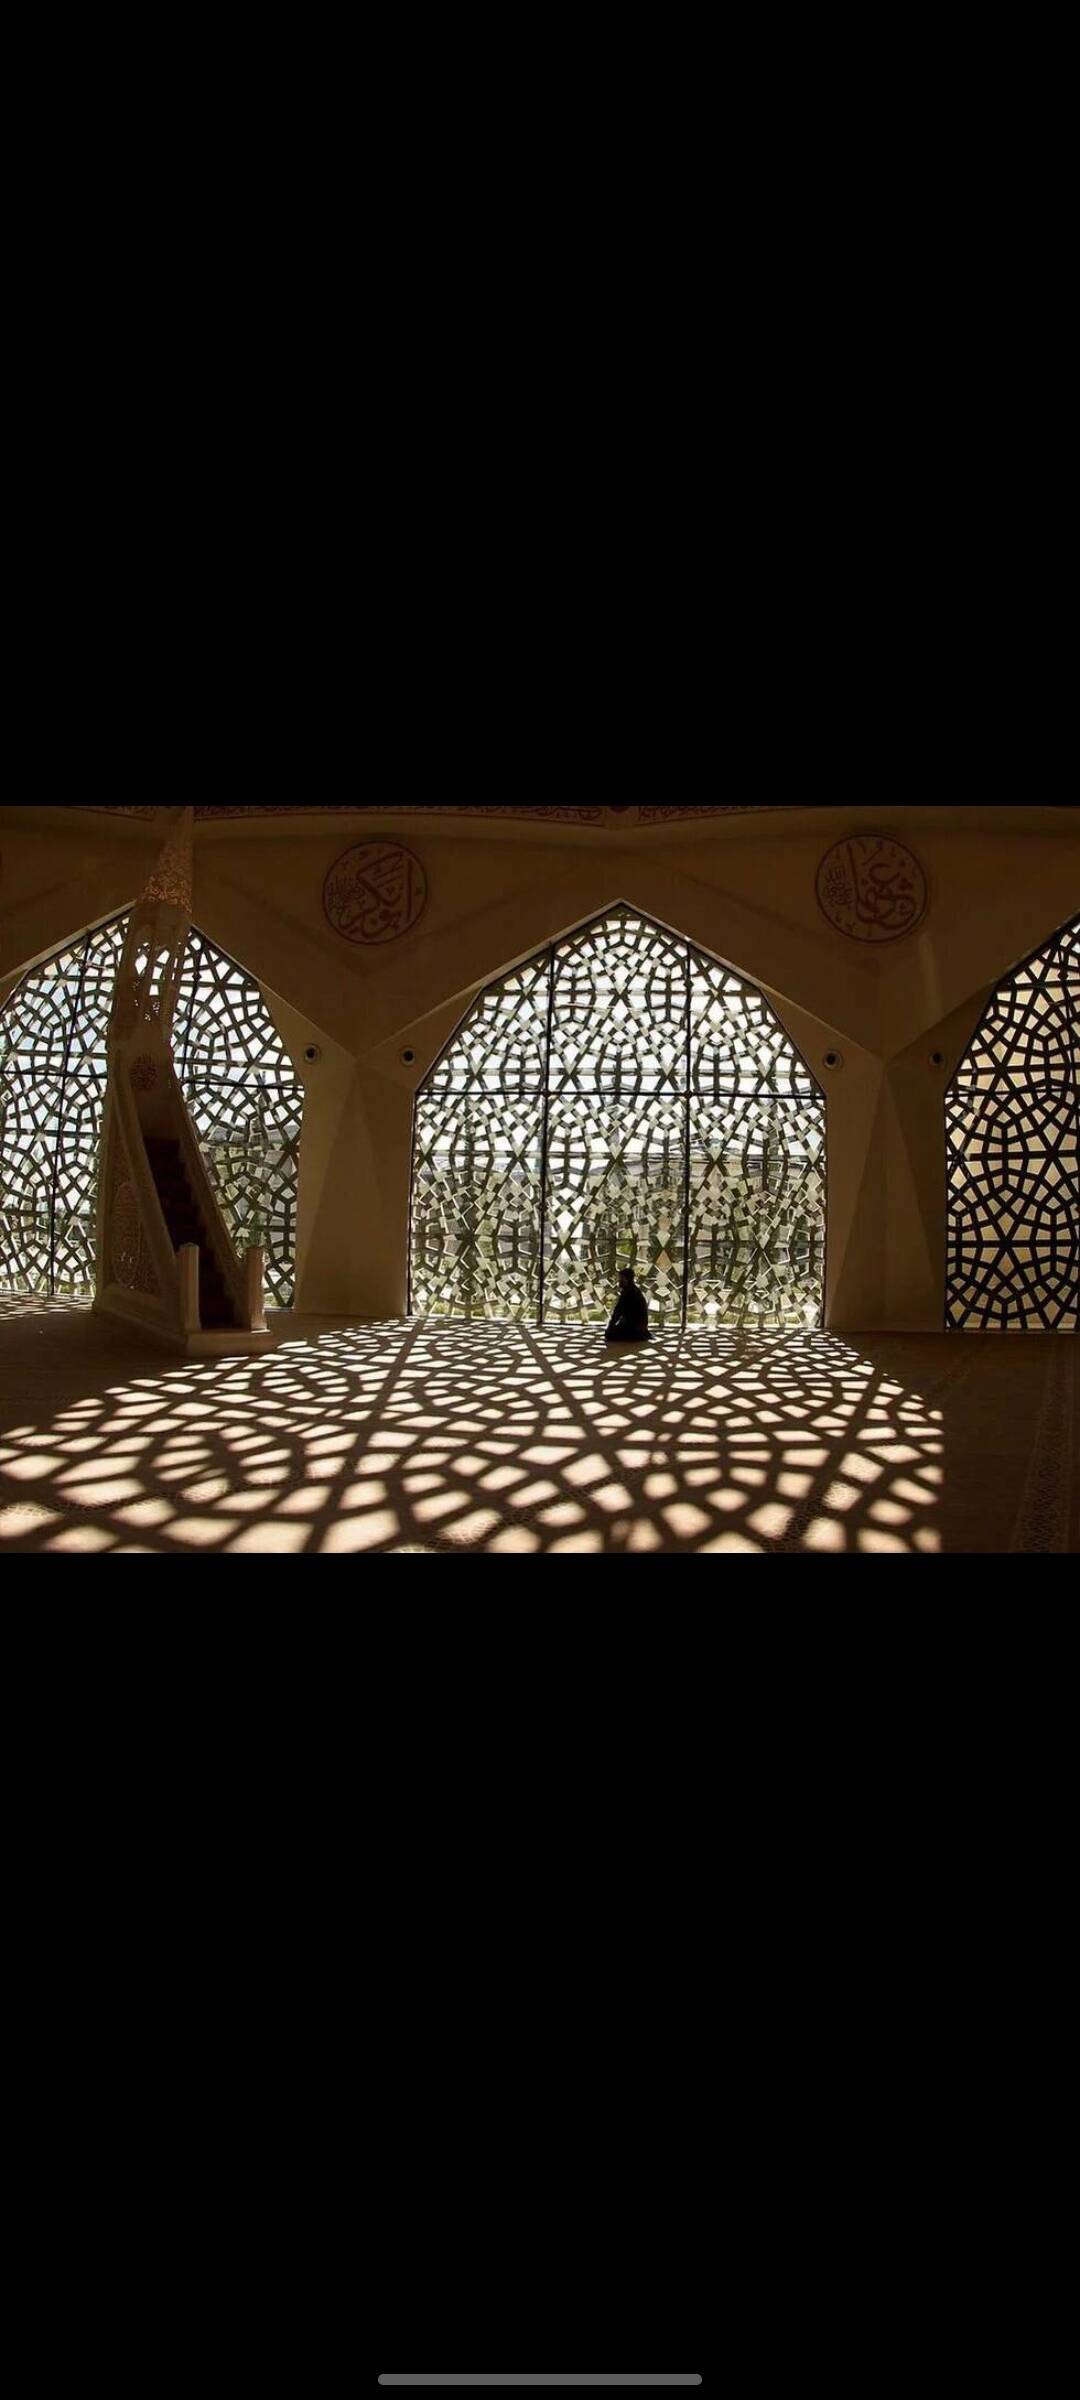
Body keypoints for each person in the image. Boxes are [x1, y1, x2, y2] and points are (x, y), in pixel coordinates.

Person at [605, 1267, 651, 1344]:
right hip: (640, 1329)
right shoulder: (634, 1290)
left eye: (620, 1278)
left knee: (609, 1335)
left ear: (626, 1279)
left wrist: (610, 1328)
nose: (619, 1281)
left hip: (635, 1330)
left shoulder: (628, 1292)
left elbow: (617, 1312)